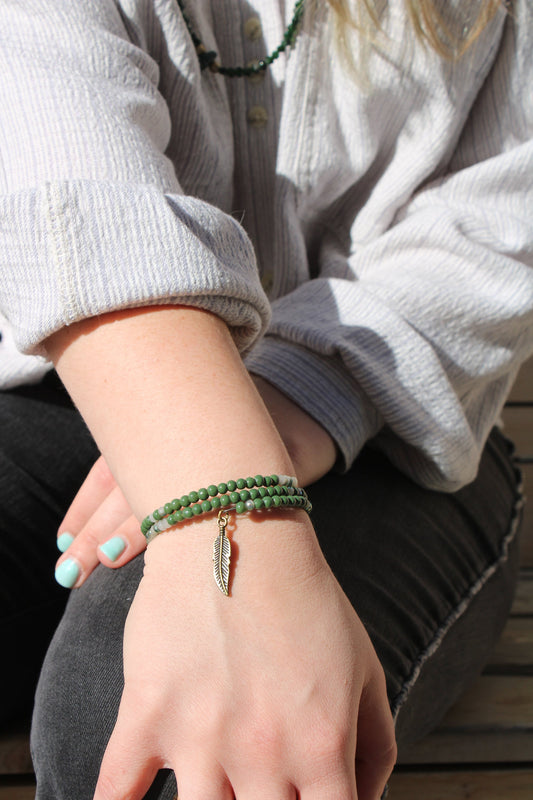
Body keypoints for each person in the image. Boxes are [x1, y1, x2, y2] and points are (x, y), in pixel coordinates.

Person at [0, 0, 531, 798]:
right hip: (56, 384)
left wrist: (291, 394)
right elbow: (55, 139)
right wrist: (211, 458)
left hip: (397, 424)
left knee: (155, 746)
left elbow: (500, 216)